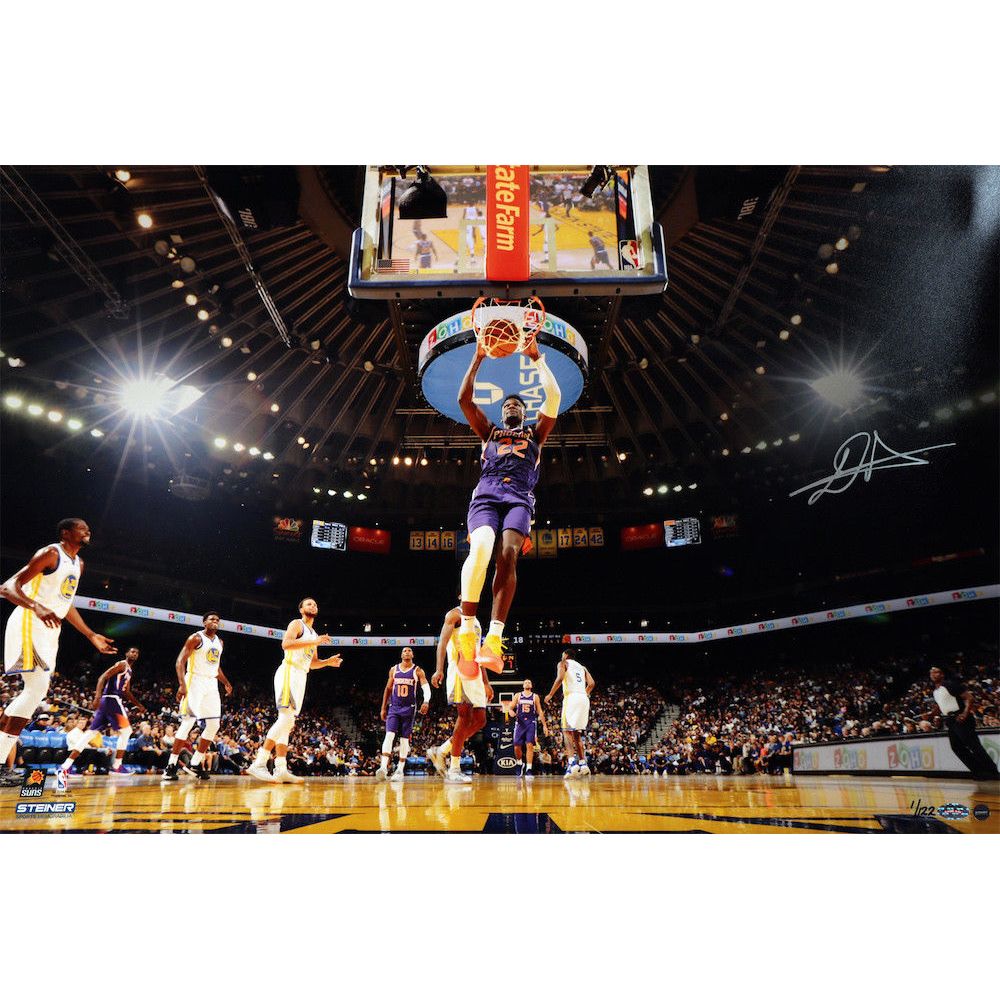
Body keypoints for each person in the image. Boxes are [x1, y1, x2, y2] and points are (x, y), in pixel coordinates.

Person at [455, 335, 560, 675]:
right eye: (506, 405)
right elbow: (464, 399)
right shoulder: (489, 434)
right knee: (482, 547)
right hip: (486, 495)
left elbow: (554, 397)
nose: (512, 406)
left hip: (519, 497)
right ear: (501, 415)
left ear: (525, 413)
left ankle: (494, 638)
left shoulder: (536, 435)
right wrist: (477, 357)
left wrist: (537, 359)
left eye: (517, 405)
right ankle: (469, 627)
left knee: (508, 555)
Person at [0, 518, 117, 787]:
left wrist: (90, 635)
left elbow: (66, 604)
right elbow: (8, 587)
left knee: (33, 692)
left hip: (51, 628)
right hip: (30, 621)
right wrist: (36, 606)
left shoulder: (79, 564)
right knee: (35, 690)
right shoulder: (50, 553)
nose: (88, 530)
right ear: (66, 533)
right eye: (81, 527)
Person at [248, 597, 342, 784]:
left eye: (315, 604)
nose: (313, 605)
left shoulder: (313, 633)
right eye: (309, 604)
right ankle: (259, 762)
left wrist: (327, 662)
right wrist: (314, 642)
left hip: (301, 675)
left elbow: (313, 663)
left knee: (288, 722)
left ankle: (281, 768)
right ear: (301, 609)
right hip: (289, 671)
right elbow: (286, 644)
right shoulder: (297, 624)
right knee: (285, 718)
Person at [56, 645, 146, 789]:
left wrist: (139, 704)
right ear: (127, 653)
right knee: (127, 731)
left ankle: (65, 766)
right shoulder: (121, 664)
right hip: (111, 699)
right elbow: (103, 676)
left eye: (137, 652)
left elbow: (127, 692)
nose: (134, 654)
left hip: (109, 701)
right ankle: (117, 766)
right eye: (132, 651)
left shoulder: (129, 670)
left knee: (90, 734)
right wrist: (97, 696)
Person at [427, 606, 494, 784]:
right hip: (459, 671)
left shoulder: (477, 622)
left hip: (477, 673)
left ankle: (442, 750)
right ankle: (454, 768)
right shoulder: (454, 614)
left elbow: (479, 653)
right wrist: (439, 669)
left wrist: (486, 682)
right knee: (464, 716)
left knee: (480, 720)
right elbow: (442, 641)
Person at [162, 612, 232, 782]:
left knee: (214, 725)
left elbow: (216, 667)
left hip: (211, 684)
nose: (215, 621)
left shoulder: (220, 642)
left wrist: (226, 682)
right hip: (194, 680)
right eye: (211, 619)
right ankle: (170, 765)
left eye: (217, 619)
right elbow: (180, 661)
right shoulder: (195, 638)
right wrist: (182, 684)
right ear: (204, 622)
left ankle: (195, 763)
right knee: (188, 722)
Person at [929, 666, 999, 780]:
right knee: (956, 747)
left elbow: (969, 698)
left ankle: (992, 771)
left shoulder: (950, 685)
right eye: (931, 672)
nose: (932, 674)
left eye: (935, 672)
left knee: (973, 746)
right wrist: (931, 714)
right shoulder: (936, 691)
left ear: (942, 674)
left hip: (960, 717)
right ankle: (978, 771)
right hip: (950, 720)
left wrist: (965, 713)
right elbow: (941, 705)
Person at [376, 647, 431, 781]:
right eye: (404, 650)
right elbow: (388, 689)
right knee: (389, 735)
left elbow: (425, 686)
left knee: (404, 739)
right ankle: (383, 767)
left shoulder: (417, 670)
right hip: (394, 707)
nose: (407, 652)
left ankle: (400, 769)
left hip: (409, 708)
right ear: (401, 654)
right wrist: (383, 707)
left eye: (409, 650)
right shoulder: (394, 670)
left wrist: (426, 701)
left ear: (413, 654)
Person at [544, 649, 595, 779]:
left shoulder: (563, 663)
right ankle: (583, 764)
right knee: (577, 734)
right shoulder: (582, 667)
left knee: (566, 731)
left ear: (565, 655)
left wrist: (550, 694)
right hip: (584, 698)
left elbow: (560, 678)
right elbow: (592, 684)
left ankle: (572, 764)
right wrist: (584, 693)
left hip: (571, 697)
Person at [506, 678, 549, 777]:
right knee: (516, 745)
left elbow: (540, 711)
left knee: (529, 745)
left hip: (531, 723)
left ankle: (529, 769)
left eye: (529, 682)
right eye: (525, 682)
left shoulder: (535, 696)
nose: (527, 683)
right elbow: (510, 707)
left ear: (531, 686)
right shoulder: (518, 695)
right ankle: (520, 763)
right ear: (523, 686)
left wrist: (544, 726)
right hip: (520, 723)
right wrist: (511, 712)